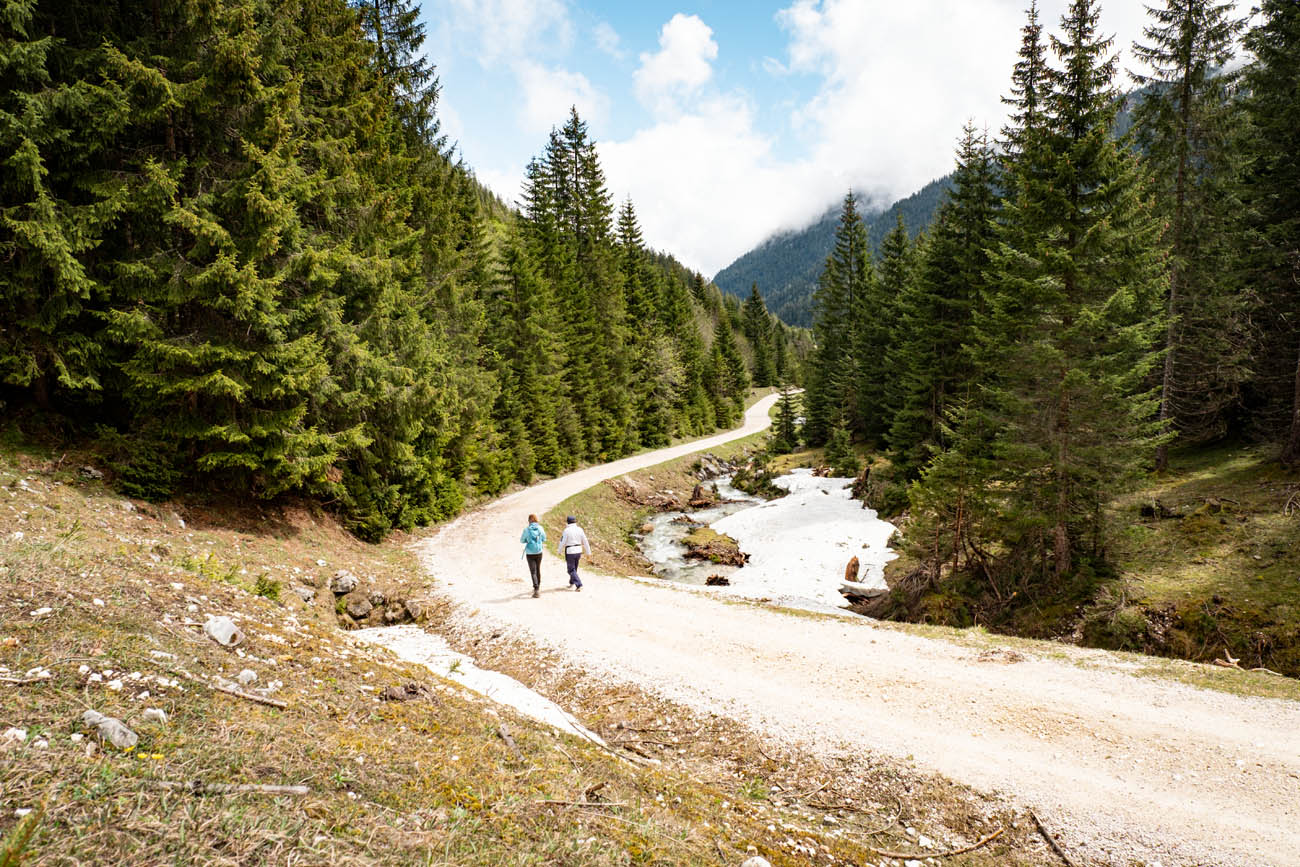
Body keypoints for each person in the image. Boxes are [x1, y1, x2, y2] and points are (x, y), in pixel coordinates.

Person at [557, 515, 590, 592]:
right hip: (579, 550)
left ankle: (579, 585)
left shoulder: (566, 530)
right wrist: (588, 552)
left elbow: (562, 542)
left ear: (567, 522)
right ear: (575, 521)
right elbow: (585, 541)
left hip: (570, 551)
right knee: (574, 568)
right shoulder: (580, 529)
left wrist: (559, 551)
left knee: (571, 570)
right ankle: (572, 582)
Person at [519, 514, 547, 598]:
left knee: (533, 571)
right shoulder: (540, 528)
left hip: (530, 553)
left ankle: (536, 589)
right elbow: (544, 539)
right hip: (539, 552)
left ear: (529, 521)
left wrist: (527, 540)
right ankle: (538, 586)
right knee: (538, 569)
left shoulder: (526, 530)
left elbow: (521, 540)